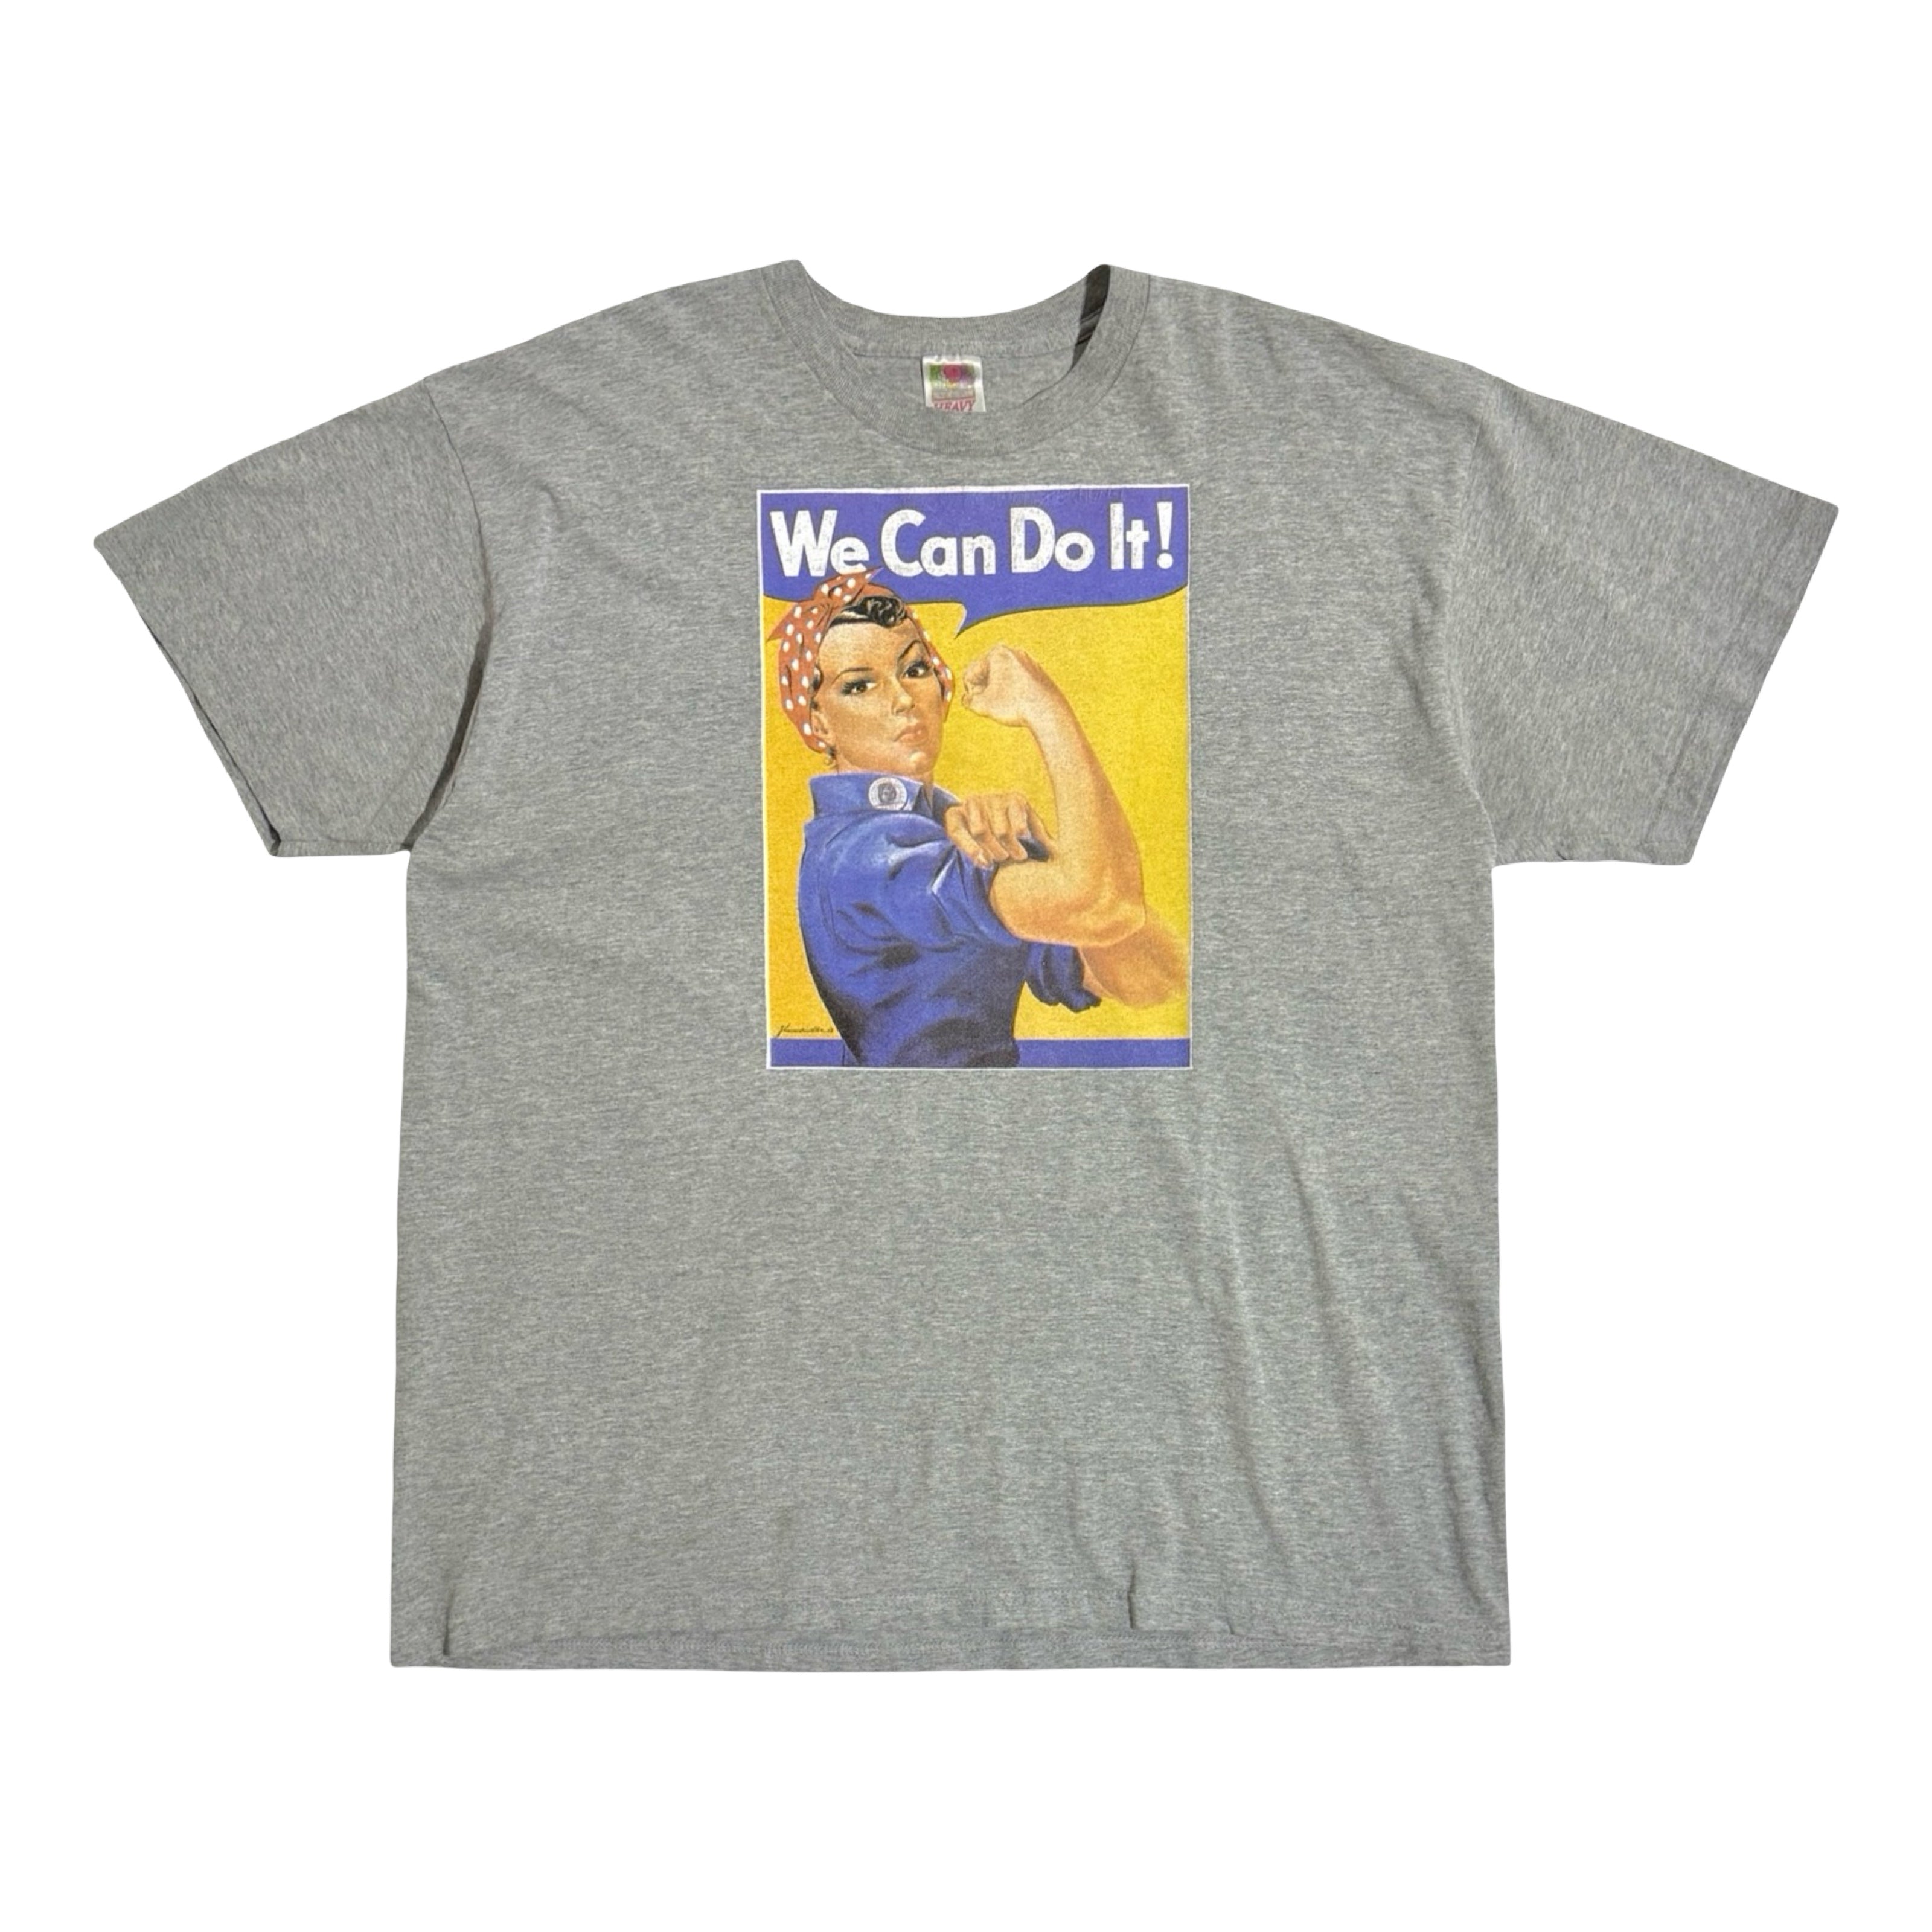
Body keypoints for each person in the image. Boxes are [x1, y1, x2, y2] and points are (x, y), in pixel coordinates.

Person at [772, 568, 1186, 1067]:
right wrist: (1047, 711)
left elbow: (1154, 979)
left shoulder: (945, 828)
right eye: (860, 687)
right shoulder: (861, 854)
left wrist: (1043, 852)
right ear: (819, 722)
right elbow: (1102, 904)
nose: (903, 699)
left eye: (914, 669)